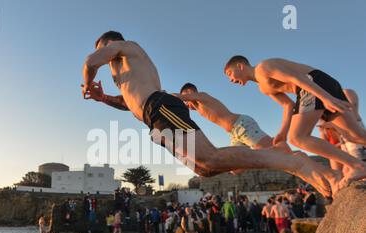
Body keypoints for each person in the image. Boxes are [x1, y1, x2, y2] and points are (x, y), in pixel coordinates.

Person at [82, 31, 341, 198]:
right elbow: (129, 104)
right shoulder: (128, 76)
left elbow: (90, 62)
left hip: (160, 107)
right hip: (153, 117)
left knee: (209, 157)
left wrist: (87, 84)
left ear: (108, 43)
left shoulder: (124, 47)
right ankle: (291, 161)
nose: (102, 58)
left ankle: (295, 162)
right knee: (205, 168)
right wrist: (103, 98)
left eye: (100, 48)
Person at [224, 56, 366, 191]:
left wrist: (326, 98)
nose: (230, 80)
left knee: (298, 138)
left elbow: (297, 78)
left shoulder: (263, 68)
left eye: (230, 73)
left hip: (313, 83)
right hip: (323, 85)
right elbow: (288, 105)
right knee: (355, 136)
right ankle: (357, 165)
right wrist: (282, 133)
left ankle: (357, 165)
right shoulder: (263, 88)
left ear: (240, 66)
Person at [178, 83, 290, 151]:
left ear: (189, 92)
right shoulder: (199, 107)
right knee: (236, 169)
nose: (186, 105)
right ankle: (257, 153)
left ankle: (293, 155)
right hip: (234, 133)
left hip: (241, 125)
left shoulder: (202, 96)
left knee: (272, 149)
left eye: (185, 100)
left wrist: (167, 97)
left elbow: (183, 97)